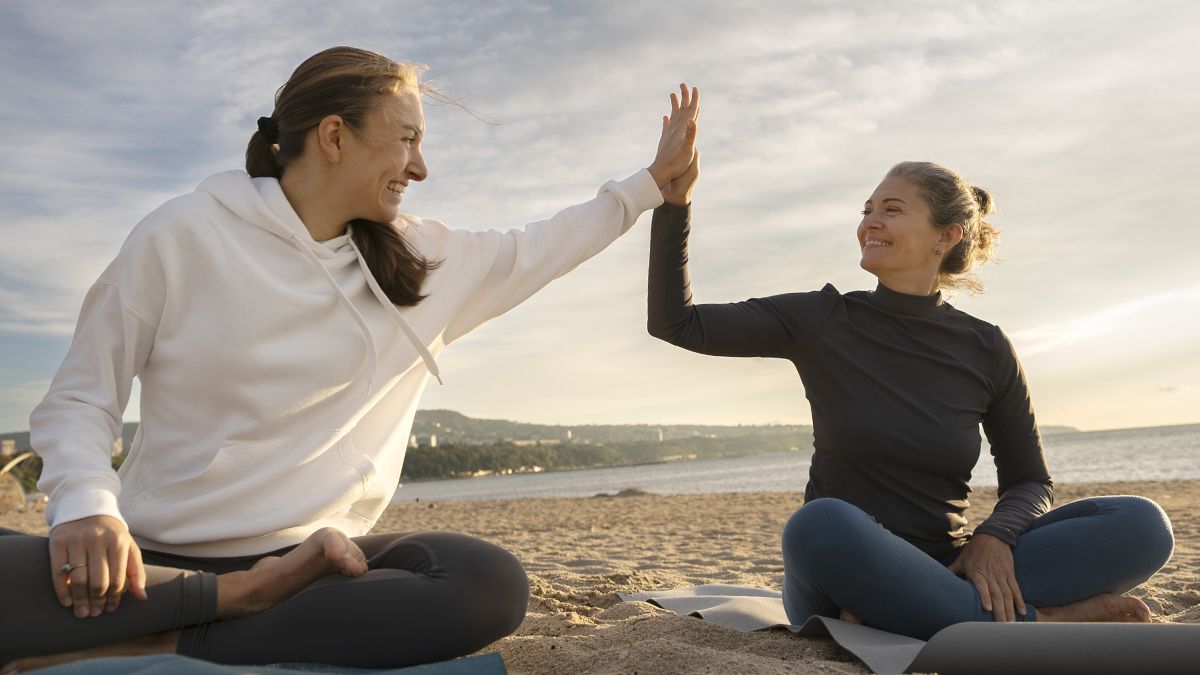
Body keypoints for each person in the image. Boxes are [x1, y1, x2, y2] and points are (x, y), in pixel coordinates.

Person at [0, 47, 700, 671]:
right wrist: (89, 509)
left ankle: (162, 640)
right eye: (406, 140)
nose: (420, 167)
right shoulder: (180, 234)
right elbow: (81, 398)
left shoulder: (422, 261)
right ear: (334, 136)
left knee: (486, 580)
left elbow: (541, 245)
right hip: (153, 563)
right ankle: (217, 606)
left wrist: (650, 185)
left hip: (316, 567)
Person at [646, 156, 1175, 639]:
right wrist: (675, 205)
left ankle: (930, 608)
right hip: (842, 567)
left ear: (945, 235)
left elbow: (1031, 480)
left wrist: (995, 538)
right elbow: (677, 323)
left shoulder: (986, 346)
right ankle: (1038, 621)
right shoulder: (821, 319)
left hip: (946, 563)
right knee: (818, 523)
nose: (869, 221)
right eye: (867, 209)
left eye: (891, 210)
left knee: (1143, 524)